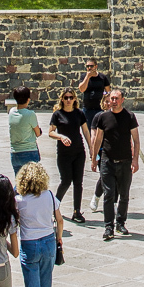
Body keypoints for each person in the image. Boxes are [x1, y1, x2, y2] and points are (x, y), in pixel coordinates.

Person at [15, 161, 64, 287]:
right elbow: (59, 221)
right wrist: (59, 238)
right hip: (48, 242)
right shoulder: (50, 196)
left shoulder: (19, 201)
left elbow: (14, 223)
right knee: (45, 284)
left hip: (30, 244)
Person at [90, 88, 140, 242]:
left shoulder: (129, 117)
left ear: (122, 99)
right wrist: (94, 158)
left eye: (117, 98)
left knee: (124, 194)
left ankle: (120, 222)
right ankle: (108, 226)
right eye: (112, 98)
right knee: (109, 194)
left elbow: (136, 140)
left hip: (125, 161)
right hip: (107, 161)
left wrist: (135, 160)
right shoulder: (103, 117)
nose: (114, 101)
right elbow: (98, 139)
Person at [48, 88, 92, 224]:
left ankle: (77, 211)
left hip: (79, 151)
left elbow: (85, 131)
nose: (68, 100)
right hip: (64, 154)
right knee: (66, 181)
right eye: (66, 97)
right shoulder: (57, 114)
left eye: (70, 97)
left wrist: (91, 148)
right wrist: (61, 137)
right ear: (62, 99)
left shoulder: (79, 114)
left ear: (74, 99)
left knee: (78, 182)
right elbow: (51, 132)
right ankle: (54, 206)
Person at [9, 87, 42, 177]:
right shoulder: (30, 114)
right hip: (29, 152)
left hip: (15, 152)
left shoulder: (11, 112)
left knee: (19, 183)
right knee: (32, 183)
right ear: (28, 100)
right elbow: (38, 133)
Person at [88, 90, 112, 213]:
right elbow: (94, 135)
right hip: (102, 151)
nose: (108, 103)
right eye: (106, 101)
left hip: (115, 150)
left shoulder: (118, 115)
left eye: (110, 101)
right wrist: (93, 152)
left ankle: (114, 202)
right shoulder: (98, 117)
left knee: (115, 178)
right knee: (104, 176)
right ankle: (96, 197)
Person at [78, 58, 110, 134]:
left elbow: (108, 92)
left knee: (101, 130)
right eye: (87, 66)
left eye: (91, 66)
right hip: (88, 108)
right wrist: (87, 77)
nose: (89, 68)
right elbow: (81, 89)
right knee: (89, 131)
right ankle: (91, 146)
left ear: (96, 66)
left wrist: (105, 100)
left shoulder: (102, 77)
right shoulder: (83, 77)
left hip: (100, 108)